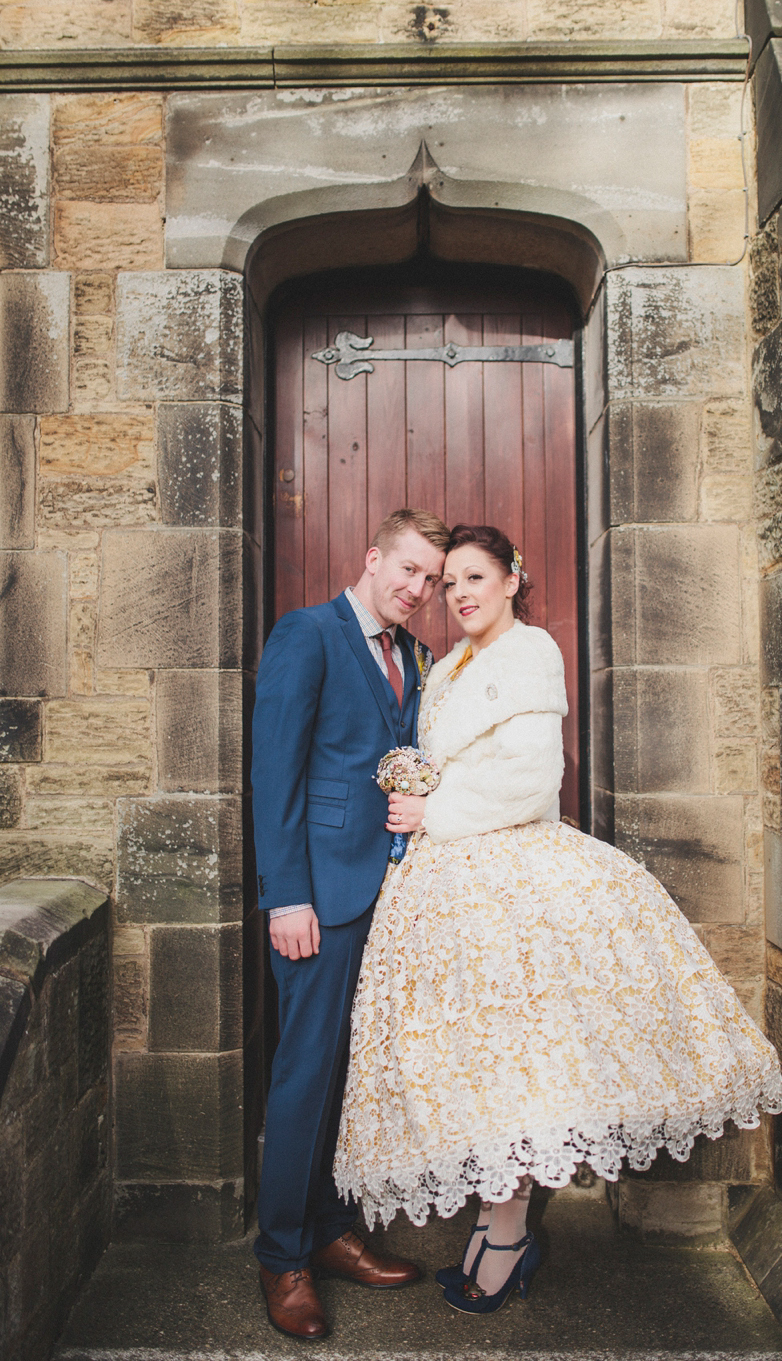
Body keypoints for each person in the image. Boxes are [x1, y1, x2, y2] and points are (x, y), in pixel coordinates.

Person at [335, 523, 782, 1315]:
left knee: (516, 1058)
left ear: (513, 578)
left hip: (508, 875)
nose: (462, 593)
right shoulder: (445, 668)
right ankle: (494, 1219)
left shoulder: (532, 650)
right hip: (447, 886)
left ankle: (506, 1236)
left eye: (477, 577)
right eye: (451, 583)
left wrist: (431, 809)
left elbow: (533, 778)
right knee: (478, 1060)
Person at [251, 508, 449, 1339]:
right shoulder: (309, 634)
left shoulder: (414, 654)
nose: (417, 588)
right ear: (372, 558)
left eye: (431, 581)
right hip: (319, 902)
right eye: (407, 569)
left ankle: (330, 1230)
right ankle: (281, 1257)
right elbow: (275, 772)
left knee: (346, 1077)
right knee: (303, 1077)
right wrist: (285, 896)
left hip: (388, 900)